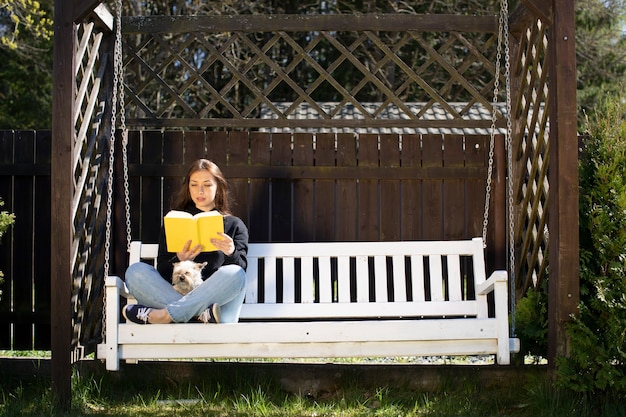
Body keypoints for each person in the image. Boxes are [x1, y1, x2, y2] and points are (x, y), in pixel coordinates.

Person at [122, 159, 248, 324]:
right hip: (203, 310)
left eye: (207, 185)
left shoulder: (234, 225)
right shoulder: (175, 222)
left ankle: (166, 316)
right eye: (194, 184)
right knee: (135, 272)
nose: (200, 190)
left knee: (235, 273)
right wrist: (178, 260)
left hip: (218, 304)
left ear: (218, 188)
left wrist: (231, 252)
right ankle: (198, 316)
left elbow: (240, 275)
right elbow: (162, 270)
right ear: (188, 188)